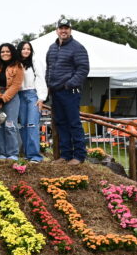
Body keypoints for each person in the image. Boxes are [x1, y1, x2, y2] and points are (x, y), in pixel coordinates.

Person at [43, 18, 90, 164]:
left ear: (70, 30)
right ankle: (65, 155)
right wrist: (48, 86)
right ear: (57, 30)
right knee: (61, 123)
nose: (63, 31)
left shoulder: (78, 47)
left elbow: (83, 69)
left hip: (70, 92)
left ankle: (79, 156)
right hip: (55, 92)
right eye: (61, 28)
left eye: (66, 28)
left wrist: (69, 84)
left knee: (74, 123)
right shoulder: (51, 48)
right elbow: (49, 69)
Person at [0, 42, 24, 160]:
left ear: (12, 52)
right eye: (2, 51)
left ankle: (13, 153)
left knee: (10, 125)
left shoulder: (17, 65)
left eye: (7, 51)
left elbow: (16, 85)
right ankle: (1, 153)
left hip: (12, 97)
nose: (5, 53)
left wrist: (3, 99)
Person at [17, 40, 48, 163]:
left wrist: (41, 98)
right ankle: (27, 153)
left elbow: (41, 78)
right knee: (23, 125)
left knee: (32, 124)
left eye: (28, 49)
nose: (26, 51)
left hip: (32, 94)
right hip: (19, 95)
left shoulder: (35, 62)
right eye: (24, 49)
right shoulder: (16, 63)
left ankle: (35, 155)